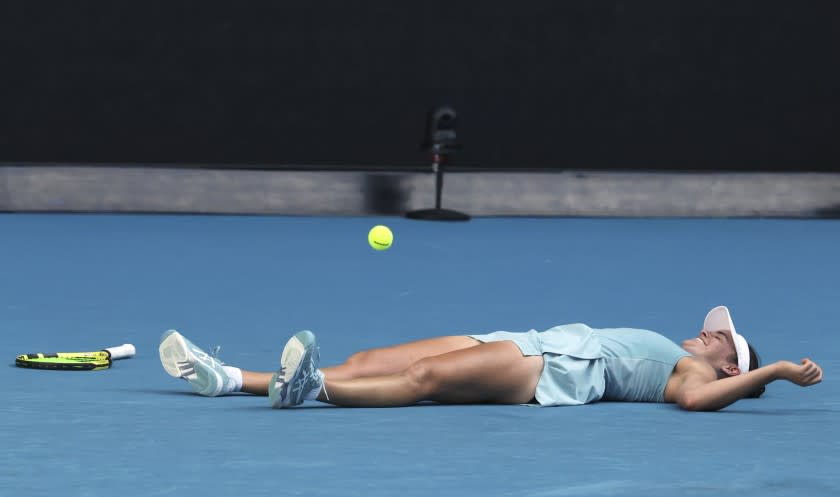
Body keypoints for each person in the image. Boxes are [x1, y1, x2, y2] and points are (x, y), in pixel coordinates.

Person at [158, 306, 823, 411]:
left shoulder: (702, 376)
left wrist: (777, 373)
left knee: (419, 381)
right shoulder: (693, 355)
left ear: (730, 366)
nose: (706, 336)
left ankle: (311, 392)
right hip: (528, 339)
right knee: (371, 354)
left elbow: (696, 402)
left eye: (719, 339)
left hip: (547, 372)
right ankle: (228, 377)